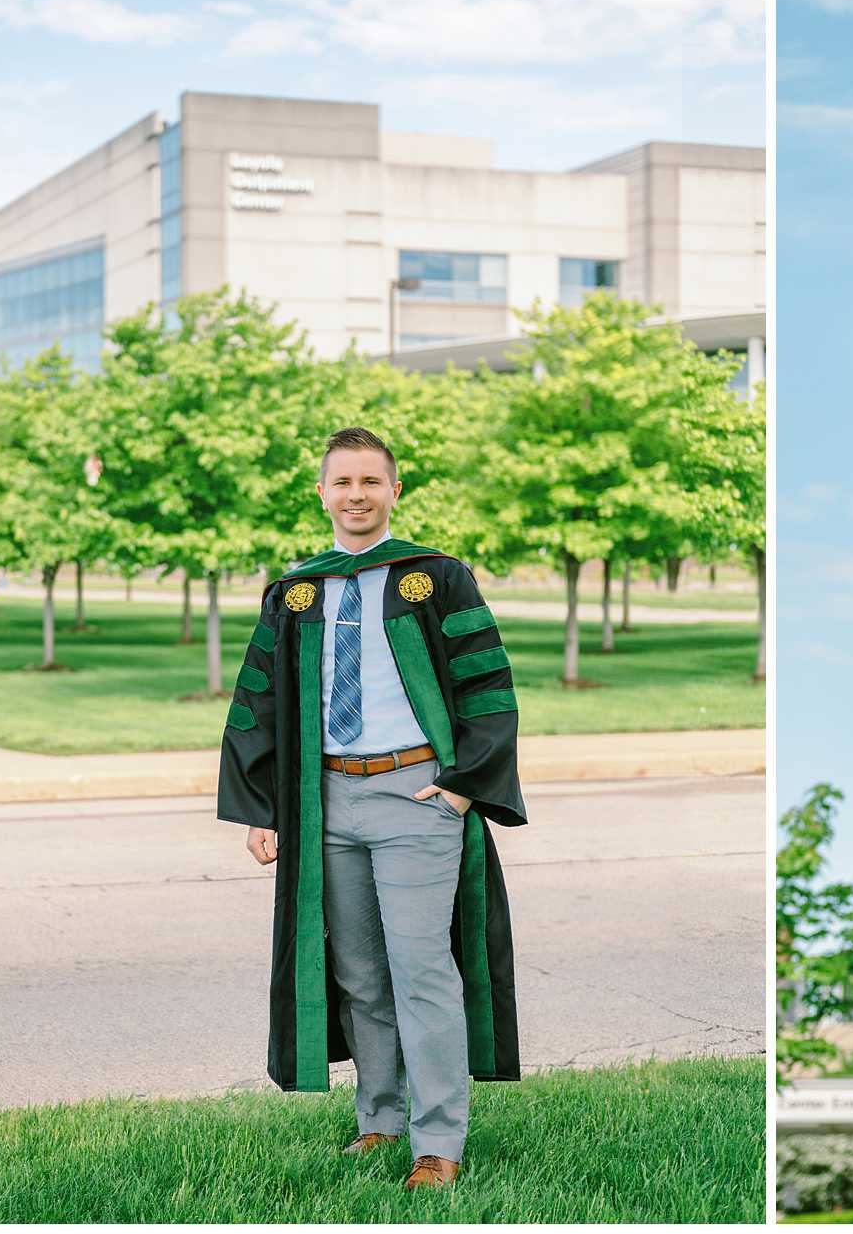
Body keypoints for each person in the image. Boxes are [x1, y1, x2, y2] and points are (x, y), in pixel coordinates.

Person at [217, 426, 525, 1192]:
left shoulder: (435, 578)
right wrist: (266, 805)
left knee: (421, 967)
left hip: (414, 792)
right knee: (358, 970)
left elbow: (489, 687)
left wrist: (461, 784)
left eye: (370, 481)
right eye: (342, 481)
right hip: (325, 798)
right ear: (320, 492)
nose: (356, 494)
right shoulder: (297, 590)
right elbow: (258, 702)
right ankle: (380, 1120)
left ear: (395, 490)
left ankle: (438, 1141)